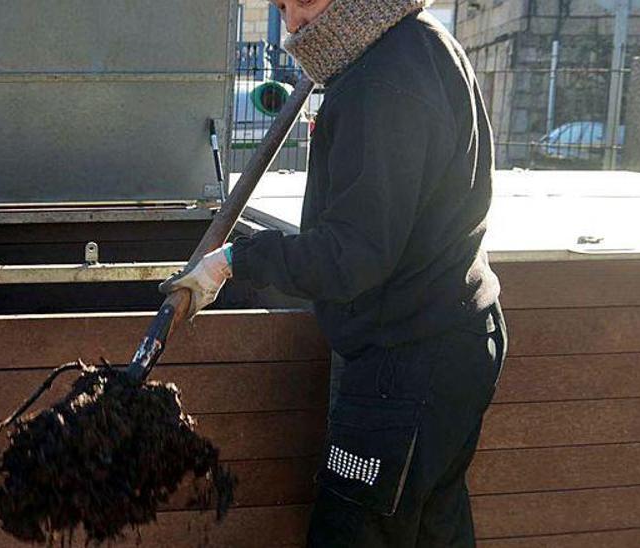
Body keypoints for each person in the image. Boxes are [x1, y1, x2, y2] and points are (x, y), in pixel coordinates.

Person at [161, 0, 506, 545]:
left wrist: (235, 261)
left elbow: (353, 255)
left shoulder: (380, 81)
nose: (293, 23)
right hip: (453, 342)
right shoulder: (421, 44)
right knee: (431, 532)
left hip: (406, 366)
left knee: (353, 532)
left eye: (301, 3)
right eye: (280, 6)